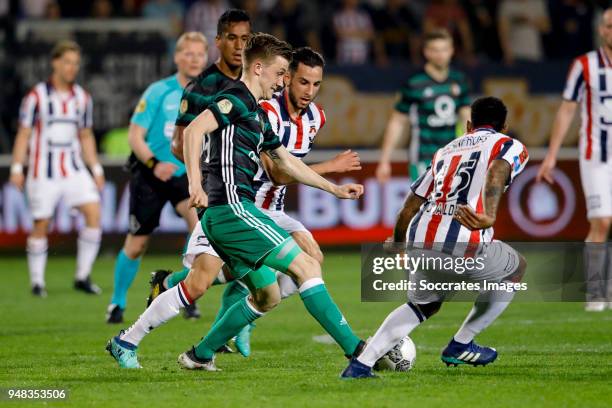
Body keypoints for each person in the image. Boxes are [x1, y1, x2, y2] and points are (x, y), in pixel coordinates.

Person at [107, 33, 366, 371]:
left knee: (259, 294)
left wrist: (334, 189)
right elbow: (195, 130)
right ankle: (358, 353)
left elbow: (287, 162)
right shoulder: (236, 99)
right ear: (258, 68)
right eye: (280, 73)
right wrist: (195, 183)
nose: (282, 81)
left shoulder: (256, 114)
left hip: (228, 213)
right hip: (234, 209)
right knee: (307, 265)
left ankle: (152, 345)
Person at [342, 97, 529, 378]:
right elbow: (496, 171)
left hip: (421, 239)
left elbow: (410, 205)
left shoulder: (445, 151)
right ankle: (461, 343)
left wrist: (398, 242)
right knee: (516, 267)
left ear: (468, 125)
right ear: (504, 126)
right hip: (461, 243)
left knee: (421, 305)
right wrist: (489, 215)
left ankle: (360, 365)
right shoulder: (507, 144)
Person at [105, 32, 208, 323]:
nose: (194, 59)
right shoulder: (157, 91)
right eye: (188, 53)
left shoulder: (210, 94)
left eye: (199, 54)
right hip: (151, 175)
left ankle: (185, 294)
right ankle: (117, 302)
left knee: (199, 232)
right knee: (137, 243)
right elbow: (134, 136)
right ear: (177, 57)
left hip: (185, 176)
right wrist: (153, 163)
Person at [9, 40, 104, 297]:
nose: (72, 68)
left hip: (73, 168)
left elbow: (85, 135)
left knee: (94, 213)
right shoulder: (36, 96)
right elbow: (24, 133)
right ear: (55, 63)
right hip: (43, 170)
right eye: (67, 62)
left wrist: (96, 169)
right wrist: (17, 166)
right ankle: (37, 282)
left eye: (75, 63)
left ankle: (82, 276)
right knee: (41, 223)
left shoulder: (82, 98)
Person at [537, 8, 612, 312]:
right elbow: (567, 109)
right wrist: (551, 156)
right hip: (596, 155)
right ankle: (596, 290)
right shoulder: (585, 65)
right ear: (602, 30)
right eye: (609, 26)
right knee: (602, 221)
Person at [376, 29, 470, 184]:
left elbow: (467, 118)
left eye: (444, 50)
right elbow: (397, 122)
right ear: (426, 52)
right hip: (423, 159)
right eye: (435, 50)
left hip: (453, 158)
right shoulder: (414, 83)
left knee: (451, 206)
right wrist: (384, 160)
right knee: (428, 206)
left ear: (452, 51)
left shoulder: (459, 80)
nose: (440, 55)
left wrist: (474, 152)